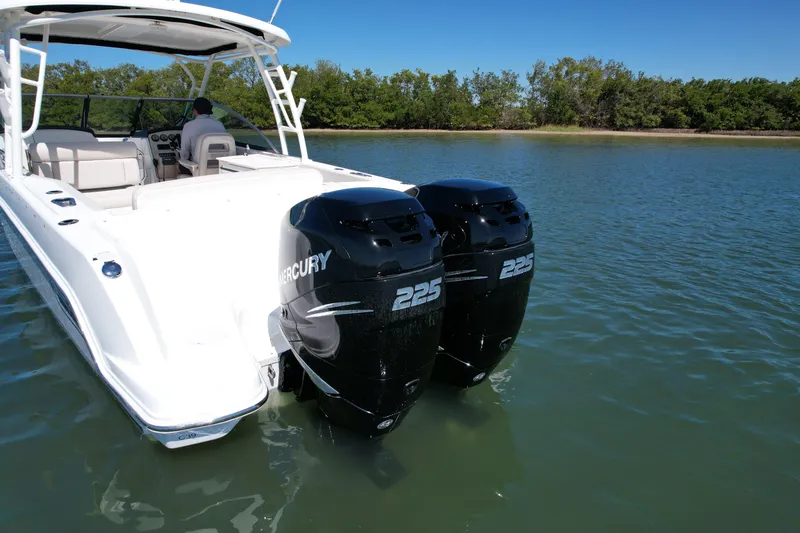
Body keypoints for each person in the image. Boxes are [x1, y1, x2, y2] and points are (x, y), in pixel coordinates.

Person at [179, 97, 226, 173]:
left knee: (179, 164)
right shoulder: (220, 125)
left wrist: (183, 160)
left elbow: (184, 152)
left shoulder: (189, 126)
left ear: (195, 110)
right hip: (218, 168)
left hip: (198, 169)